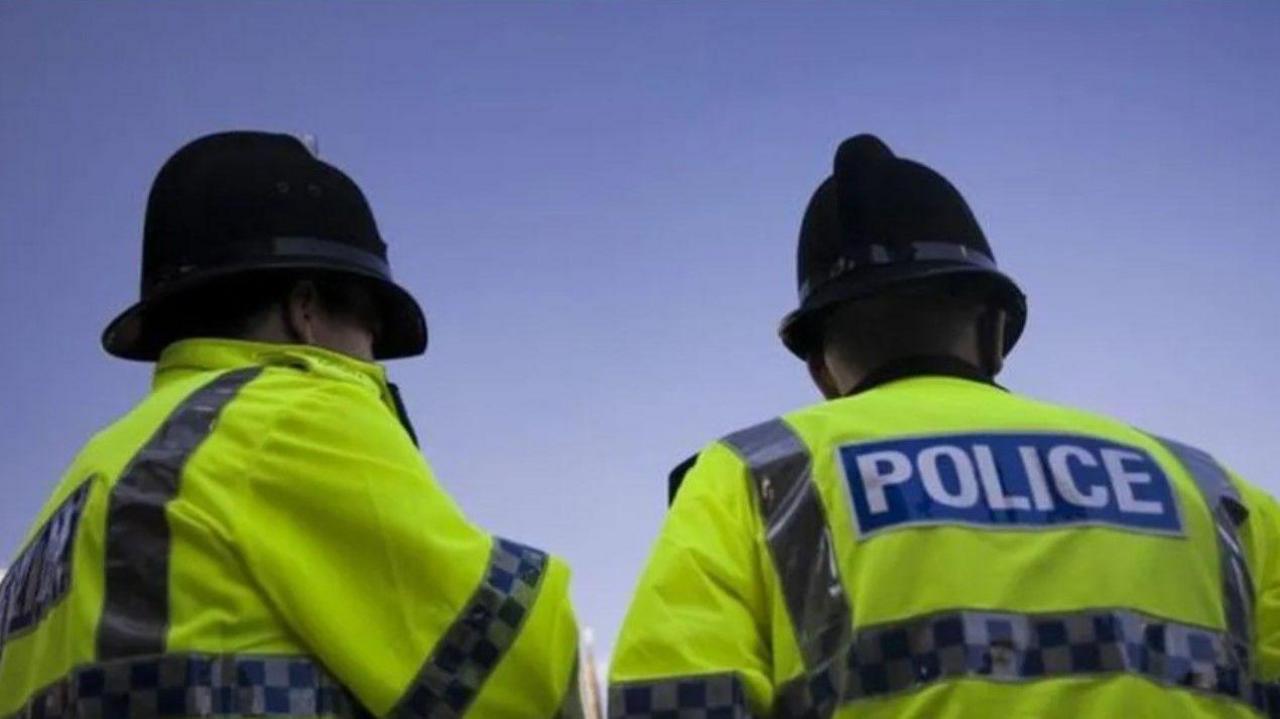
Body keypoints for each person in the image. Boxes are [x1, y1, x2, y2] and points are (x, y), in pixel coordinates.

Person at [608, 134, 1280, 718]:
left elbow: (673, 701)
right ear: (994, 332)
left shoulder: (752, 477)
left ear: (820, 370)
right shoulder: (1217, 493)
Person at [0, 131, 583, 719]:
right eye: (371, 331)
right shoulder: (287, 414)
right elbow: (513, 676)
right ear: (304, 311)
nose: (373, 360)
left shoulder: (84, 486)